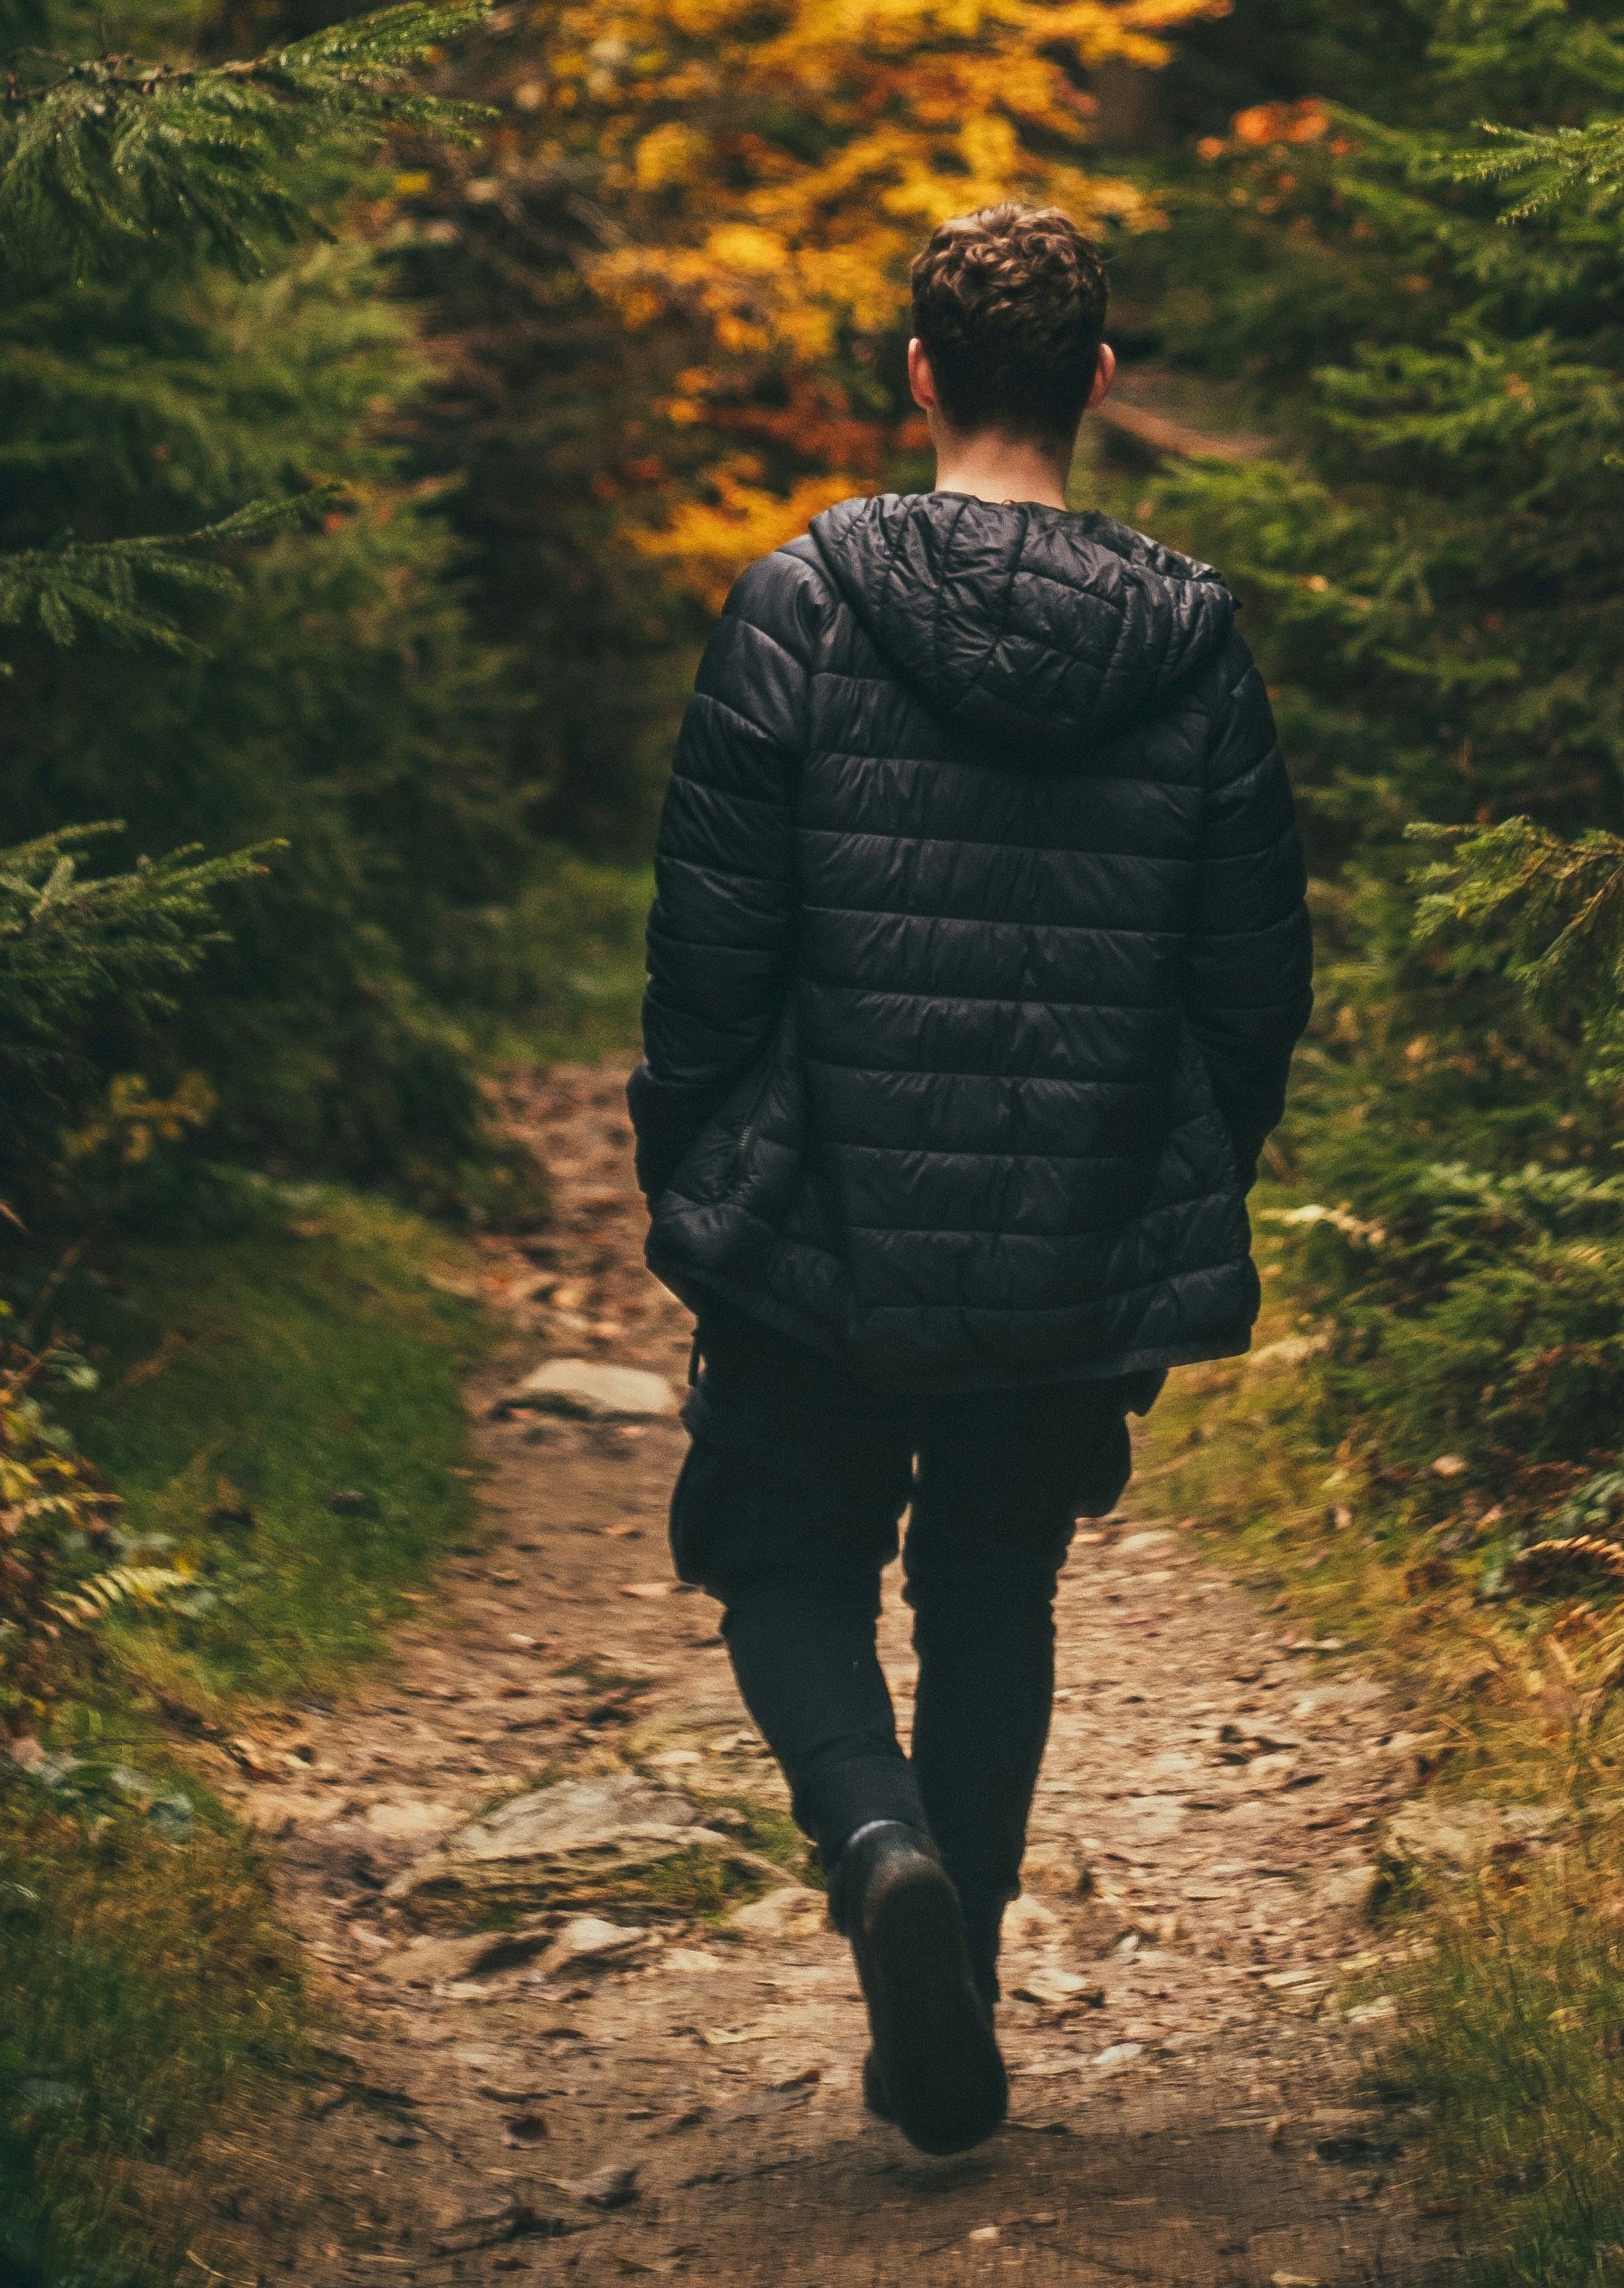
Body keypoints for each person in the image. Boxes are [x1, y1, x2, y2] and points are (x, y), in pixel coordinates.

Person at [629, 200, 1313, 2158]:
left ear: (918, 373)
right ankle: (967, 1970)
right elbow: (1252, 984)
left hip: (823, 1225)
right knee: (996, 1577)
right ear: (1100, 384)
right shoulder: (1195, 650)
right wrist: (1174, 1177)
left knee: (781, 1561)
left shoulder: (799, 605)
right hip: (1077, 1217)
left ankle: (874, 1848)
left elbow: (710, 954)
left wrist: (703, 1176)